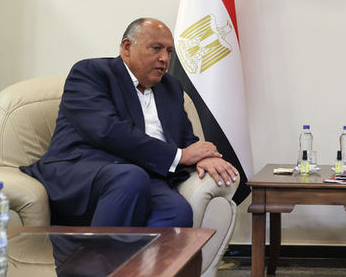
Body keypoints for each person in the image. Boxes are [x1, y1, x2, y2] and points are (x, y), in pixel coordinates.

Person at [21, 18, 239, 227]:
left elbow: (185, 137)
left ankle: (137, 256)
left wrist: (204, 156)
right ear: (127, 47)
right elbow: (106, 130)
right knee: (130, 177)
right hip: (85, 170)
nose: (164, 58)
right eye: (156, 48)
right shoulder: (91, 73)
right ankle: (98, 254)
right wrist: (180, 156)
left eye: (169, 51)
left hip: (147, 174)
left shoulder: (171, 87)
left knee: (177, 211)